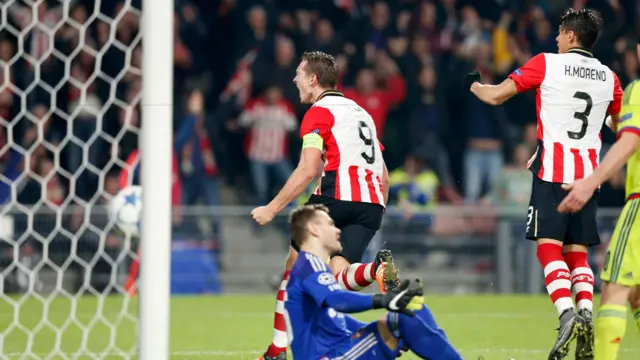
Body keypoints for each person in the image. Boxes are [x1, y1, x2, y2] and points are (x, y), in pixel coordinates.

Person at [468, 8, 623, 360]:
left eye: (559, 32)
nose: (555, 38)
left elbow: (495, 96)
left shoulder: (547, 63)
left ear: (570, 35)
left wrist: (473, 84)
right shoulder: (608, 77)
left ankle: (566, 312)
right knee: (578, 254)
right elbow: (619, 127)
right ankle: (585, 312)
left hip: (553, 173)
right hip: (588, 177)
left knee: (547, 246)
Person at [250, 51, 399, 360]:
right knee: (338, 275)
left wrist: (271, 208)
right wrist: (376, 209)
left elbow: (307, 169)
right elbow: (383, 175)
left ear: (313, 79)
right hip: (372, 203)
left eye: (299, 74)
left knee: (293, 273)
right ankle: (376, 270)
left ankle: (277, 350)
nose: (294, 80)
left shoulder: (319, 113)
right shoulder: (361, 113)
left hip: (335, 197)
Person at [285, 204, 462, 360]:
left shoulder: (313, 267)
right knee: (401, 319)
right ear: (313, 229)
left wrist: (383, 329)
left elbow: (336, 319)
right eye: (330, 224)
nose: (337, 230)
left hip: (339, 350)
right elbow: (337, 301)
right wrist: (383, 300)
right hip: (329, 356)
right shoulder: (309, 265)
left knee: (409, 310)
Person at [558, 41, 640, 360]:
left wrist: (590, 181)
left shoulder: (636, 89)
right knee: (635, 296)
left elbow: (631, 139)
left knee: (615, 289)